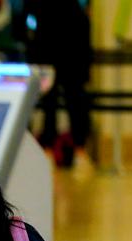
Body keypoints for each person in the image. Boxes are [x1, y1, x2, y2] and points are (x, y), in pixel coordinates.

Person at [27, 0, 94, 172]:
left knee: (65, 101)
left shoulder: (46, 11)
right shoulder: (74, 12)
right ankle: (70, 148)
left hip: (57, 48)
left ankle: (67, 148)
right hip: (64, 49)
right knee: (68, 100)